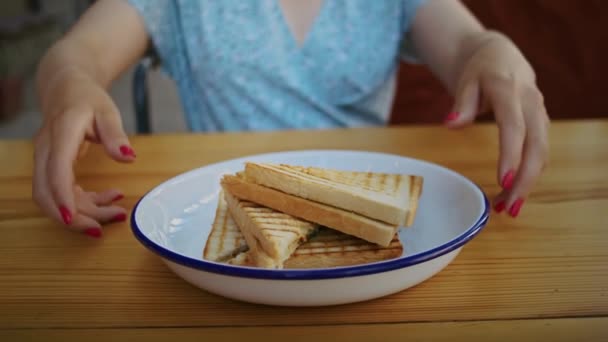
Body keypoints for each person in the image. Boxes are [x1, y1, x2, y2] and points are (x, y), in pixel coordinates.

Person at [33, 0, 549, 238]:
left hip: (360, 228)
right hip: (228, 222)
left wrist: (492, 50)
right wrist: (66, 83)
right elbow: (79, 52)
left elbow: (466, 44)